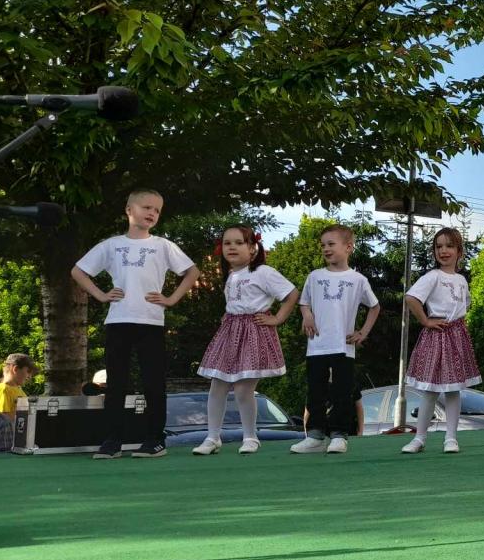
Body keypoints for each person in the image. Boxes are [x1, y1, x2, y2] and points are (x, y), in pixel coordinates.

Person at [72, 189, 200, 459]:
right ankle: (112, 441)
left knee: (153, 383)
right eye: (146, 207)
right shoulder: (111, 245)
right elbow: (78, 271)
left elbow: (192, 272)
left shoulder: (163, 245)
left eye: (157, 210)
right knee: (116, 383)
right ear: (129, 210)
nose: (152, 213)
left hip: (151, 322)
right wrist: (101, 295)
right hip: (118, 321)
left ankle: (154, 440)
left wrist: (171, 299)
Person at [193, 225, 297, 456]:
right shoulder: (231, 275)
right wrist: (228, 315)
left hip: (253, 331)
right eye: (227, 243)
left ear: (252, 248)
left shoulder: (263, 272)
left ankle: (250, 437)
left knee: (243, 388)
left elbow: (291, 294)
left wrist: (277, 318)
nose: (232, 247)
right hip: (230, 332)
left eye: (239, 243)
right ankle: (212, 437)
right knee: (217, 384)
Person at [289, 225, 379, 455]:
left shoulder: (357, 279)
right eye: (323, 245)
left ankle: (339, 436)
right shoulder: (315, 276)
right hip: (316, 345)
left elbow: (374, 306)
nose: (326, 249)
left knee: (342, 392)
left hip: (344, 346)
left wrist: (363, 332)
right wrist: (307, 315)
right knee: (315, 391)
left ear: (348, 247)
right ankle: (315, 436)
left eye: (331, 244)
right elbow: (304, 302)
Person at [401, 227, 481, 455]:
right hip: (437, 335)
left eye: (449, 246)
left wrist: (459, 327)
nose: (443, 251)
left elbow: (464, 306)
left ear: (459, 251)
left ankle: (451, 438)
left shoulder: (462, 280)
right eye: (438, 246)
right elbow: (411, 298)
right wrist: (426, 320)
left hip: (456, 337)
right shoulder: (432, 276)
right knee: (430, 390)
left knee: (454, 390)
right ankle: (419, 438)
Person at [0, 354, 36, 452]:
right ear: (15, 369)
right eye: (28, 371)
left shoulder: (18, 389)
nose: (29, 376)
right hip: (8, 444)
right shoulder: (3, 390)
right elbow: (3, 419)